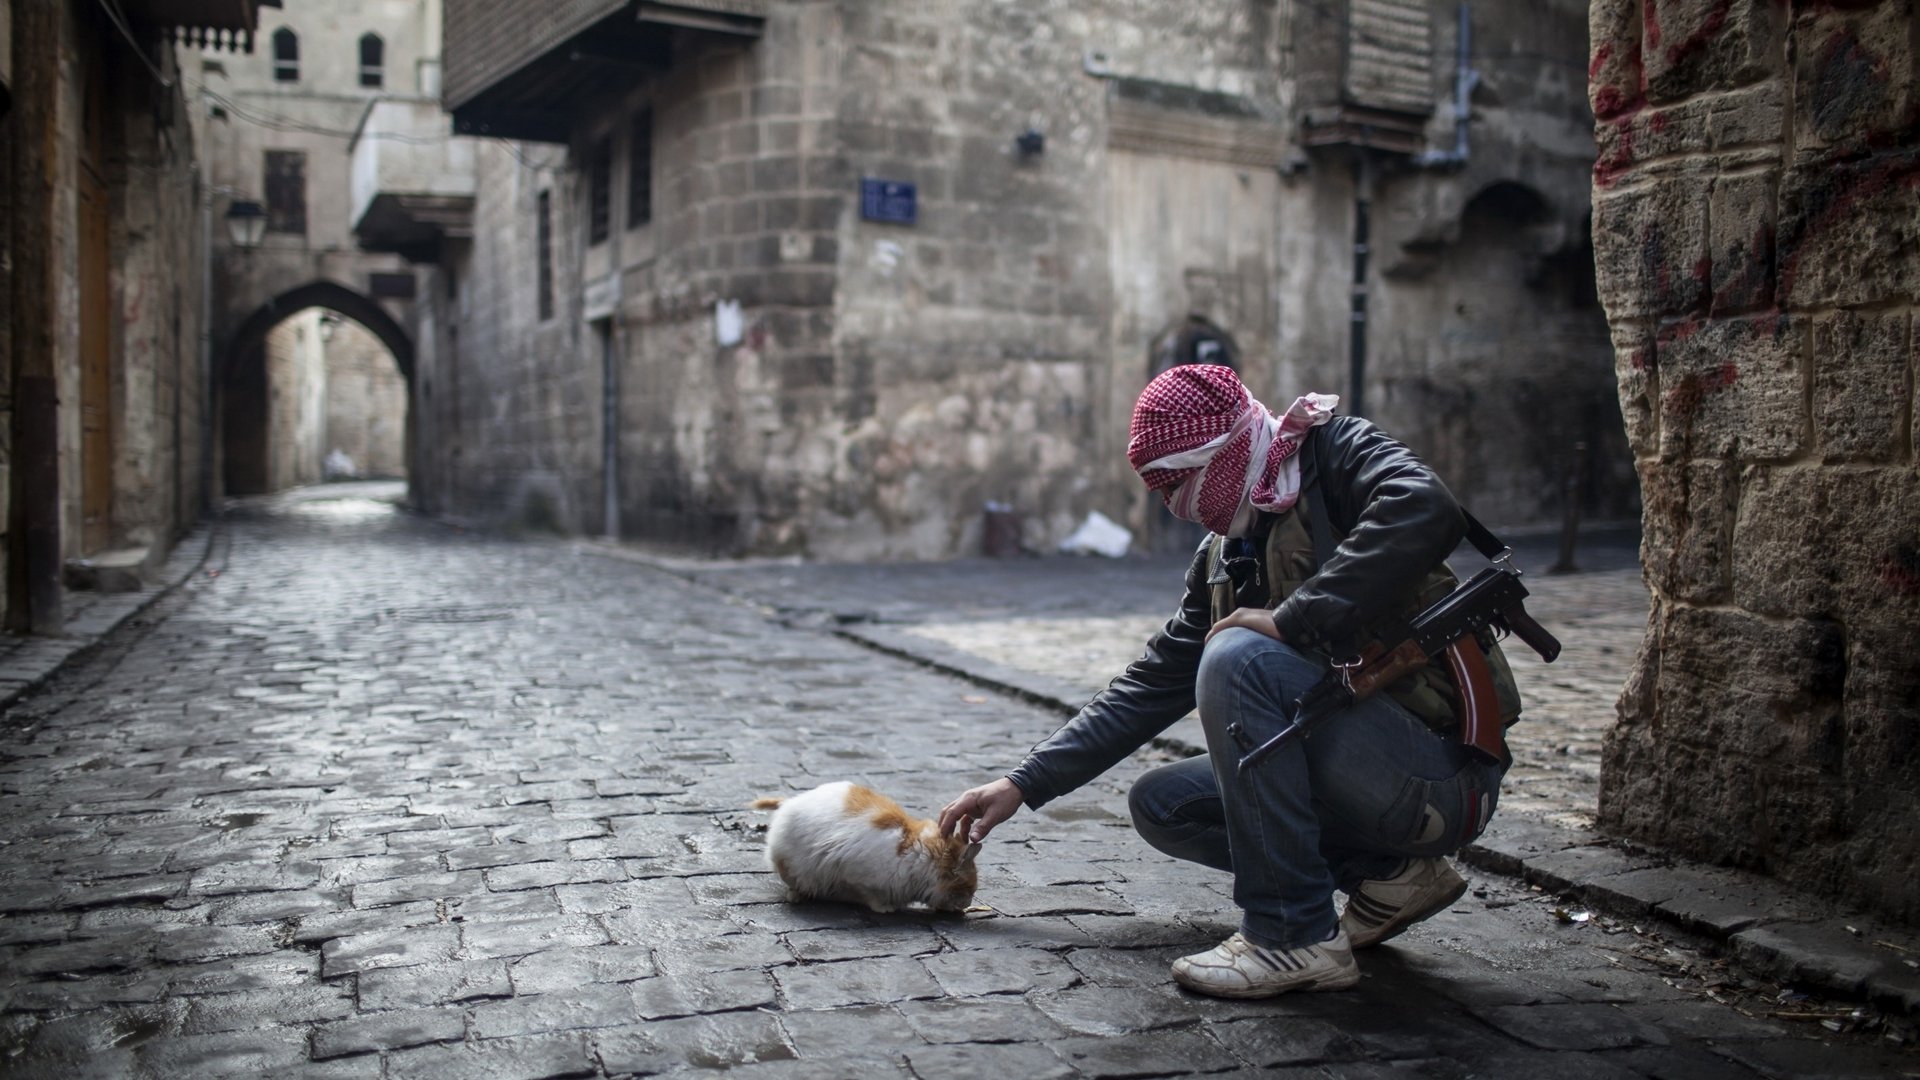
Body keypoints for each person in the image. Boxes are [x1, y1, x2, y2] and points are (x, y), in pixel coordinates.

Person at [939, 364, 1519, 1000]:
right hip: (1363, 778)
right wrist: (1023, 782)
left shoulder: (1339, 451)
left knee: (1237, 655)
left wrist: (1292, 619)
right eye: (1157, 489)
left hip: (1441, 777)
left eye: (1175, 481)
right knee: (1164, 803)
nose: (1169, 504)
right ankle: (1393, 873)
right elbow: (1153, 681)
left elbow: (1426, 505)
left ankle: (1291, 935)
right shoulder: (1226, 554)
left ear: (1223, 451)